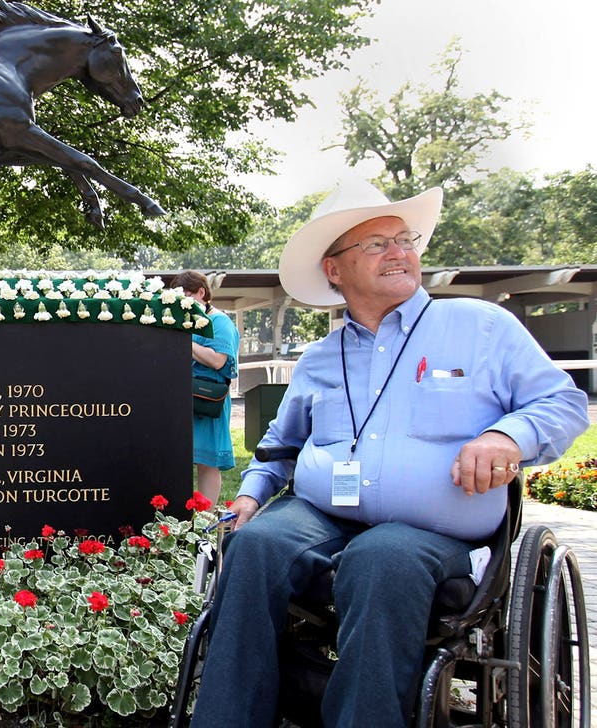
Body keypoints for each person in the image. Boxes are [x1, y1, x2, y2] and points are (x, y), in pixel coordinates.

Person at [190, 180, 590, 727]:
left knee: (381, 558)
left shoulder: (481, 326)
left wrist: (507, 437)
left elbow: (562, 402)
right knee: (254, 547)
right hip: (321, 514)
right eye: (377, 244)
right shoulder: (319, 358)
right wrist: (253, 497)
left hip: (432, 529)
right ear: (335, 270)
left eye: (405, 239)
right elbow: (279, 447)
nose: (400, 252)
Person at [171, 271, 238, 505]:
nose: (184, 302)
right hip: (182, 397)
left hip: (208, 401)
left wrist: (182, 339)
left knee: (207, 463)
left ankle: (204, 518)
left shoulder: (220, 322)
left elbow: (218, 360)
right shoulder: (187, 319)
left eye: (188, 296)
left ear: (202, 292)